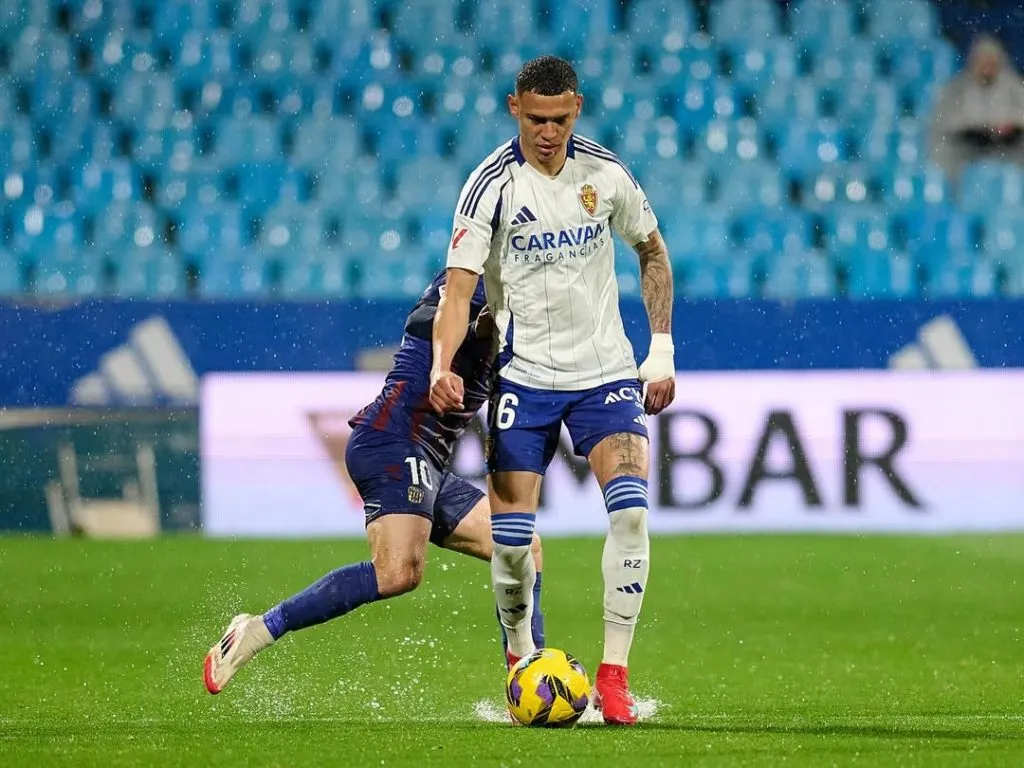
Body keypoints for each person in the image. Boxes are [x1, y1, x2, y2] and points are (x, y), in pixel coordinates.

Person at [429, 55, 676, 726]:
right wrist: (441, 366)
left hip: (604, 374)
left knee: (630, 513)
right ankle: (520, 659)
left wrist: (660, 351)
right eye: (536, 119)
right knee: (512, 542)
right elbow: (458, 290)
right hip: (524, 380)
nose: (547, 132)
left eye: (560, 119)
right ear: (515, 109)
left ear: (577, 109)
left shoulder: (607, 174)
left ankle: (615, 676)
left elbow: (653, 252)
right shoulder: (490, 187)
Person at [203, 271, 545, 694]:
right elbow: (462, 324)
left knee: (520, 546)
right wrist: (496, 319)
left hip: (430, 461)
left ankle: (527, 681)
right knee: (397, 572)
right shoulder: (463, 292)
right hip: (392, 442)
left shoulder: (512, 320)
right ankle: (257, 631)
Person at [929, 34, 1024, 184]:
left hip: (1009, 148)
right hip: (969, 149)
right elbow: (946, 122)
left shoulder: (1014, 86)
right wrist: (981, 128)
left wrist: (1008, 125)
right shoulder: (958, 88)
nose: (987, 67)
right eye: (982, 62)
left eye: (991, 62)